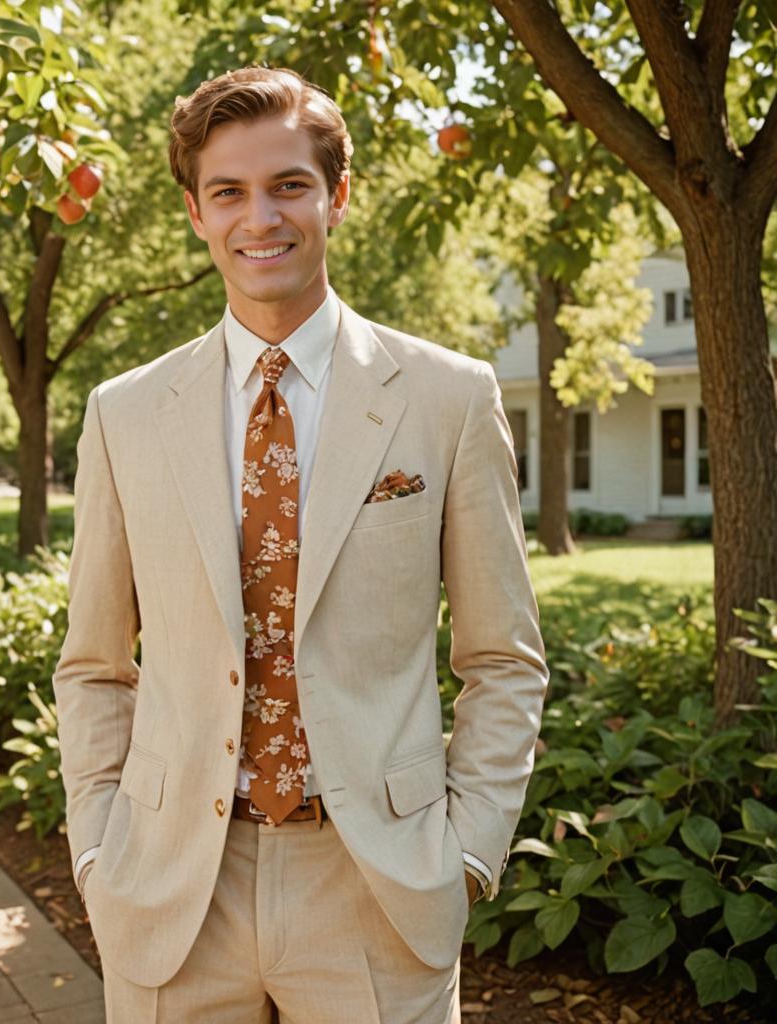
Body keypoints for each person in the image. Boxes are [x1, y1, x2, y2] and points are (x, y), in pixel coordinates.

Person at [52, 65, 549, 1024]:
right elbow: (95, 664)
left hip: (374, 885)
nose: (260, 218)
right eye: (228, 192)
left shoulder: (449, 399)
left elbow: (503, 658)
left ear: (337, 195)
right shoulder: (124, 415)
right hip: (169, 889)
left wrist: (469, 856)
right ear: (195, 212)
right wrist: (95, 850)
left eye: (288, 184)